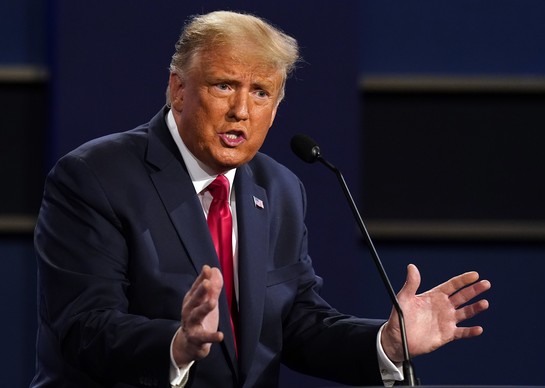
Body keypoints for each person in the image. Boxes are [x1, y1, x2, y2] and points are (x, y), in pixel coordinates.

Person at [31, 10, 491, 388]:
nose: (241, 110)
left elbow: (297, 325)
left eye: (260, 92)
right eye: (224, 85)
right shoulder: (95, 177)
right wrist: (175, 343)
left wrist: (386, 343)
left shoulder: (280, 189)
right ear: (177, 89)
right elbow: (83, 325)